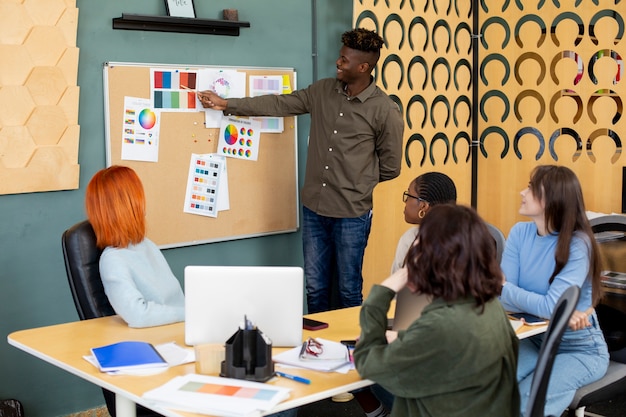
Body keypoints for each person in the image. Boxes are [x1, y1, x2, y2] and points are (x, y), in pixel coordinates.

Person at [198, 28, 404, 314]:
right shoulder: (322, 91)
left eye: (344, 60)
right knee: (316, 289)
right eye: (340, 57)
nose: (338, 62)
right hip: (314, 210)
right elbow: (279, 103)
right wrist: (226, 104)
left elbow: (391, 167)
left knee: (347, 290)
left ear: (364, 67)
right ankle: (317, 350)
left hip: (352, 215)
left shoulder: (384, 110)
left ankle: (353, 353)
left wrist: (355, 181)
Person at [353, 204, 520, 417]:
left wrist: (384, 291)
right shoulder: (489, 306)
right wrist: (406, 338)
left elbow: (366, 362)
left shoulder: (441, 324)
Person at [499, 165, 609, 416]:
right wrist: (512, 294)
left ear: (552, 199)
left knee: (526, 403)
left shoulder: (578, 245)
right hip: (532, 339)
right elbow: (505, 302)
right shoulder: (519, 233)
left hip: (578, 349)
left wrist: (507, 289)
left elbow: (548, 306)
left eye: (530, 187)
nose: (521, 192)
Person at [85, 165, 185, 328]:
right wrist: (188, 314)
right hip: (162, 335)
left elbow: (174, 299)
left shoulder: (147, 245)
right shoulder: (113, 260)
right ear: (129, 204)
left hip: (180, 327)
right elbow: (138, 315)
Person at [391, 172, 457, 274]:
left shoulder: (411, 239)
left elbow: (395, 286)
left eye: (409, 195)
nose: (405, 201)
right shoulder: (471, 235)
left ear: (423, 206)